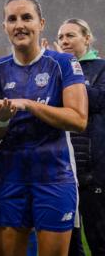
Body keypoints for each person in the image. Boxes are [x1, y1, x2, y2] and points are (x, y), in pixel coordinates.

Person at [0, 0, 88, 256]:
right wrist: (2, 118)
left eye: (26, 17)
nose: (19, 24)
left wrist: (29, 105)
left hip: (54, 176)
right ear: (5, 27)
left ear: (41, 23)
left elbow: (78, 119)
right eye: (12, 19)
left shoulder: (63, 63)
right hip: (10, 178)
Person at [57, 18, 105, 256]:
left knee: (99, 237)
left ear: (87, 38)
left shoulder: (102, 68)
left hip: (95, 171)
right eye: (61, 37)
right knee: (69, 242)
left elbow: (97, 100)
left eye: (71, 35)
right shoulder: (55, 68)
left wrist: (67, 71)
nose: (64, 41)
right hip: (63, 169)